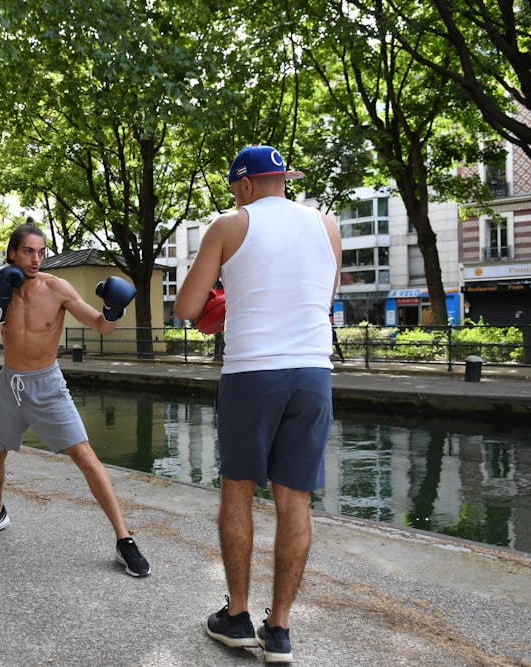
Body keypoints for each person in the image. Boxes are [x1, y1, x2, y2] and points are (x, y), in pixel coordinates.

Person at [175, 145, 341, 662]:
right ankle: (281, 629)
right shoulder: (327, 224)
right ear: (282, 180)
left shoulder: (228, 225)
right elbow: (323, 295)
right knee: (296, 501)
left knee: (238, 491)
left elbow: (186, 307)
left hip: (252, 372)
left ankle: (238, 616)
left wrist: (230, 298)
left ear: (244, 185)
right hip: (314, 373)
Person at [0, 222, 151, 578]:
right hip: (10, 383)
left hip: (47, 384)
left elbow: (101, 326)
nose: (36, 259)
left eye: (41, 252)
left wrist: (114, 310)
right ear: (12, 253)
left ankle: (124, 540)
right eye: (28, 252)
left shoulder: (58, 289)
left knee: (85, 456)